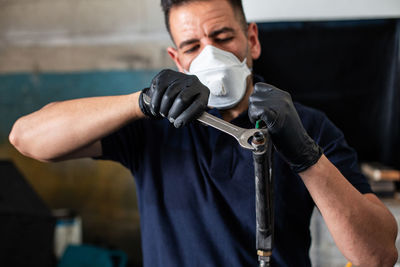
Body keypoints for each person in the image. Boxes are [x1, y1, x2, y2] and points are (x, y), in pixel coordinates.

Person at [9, 0, 398, 266]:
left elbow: (377, 255)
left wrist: (306, 155)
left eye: (224, 37)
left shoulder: (308, 126)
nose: (211, 55)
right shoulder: (152, 129)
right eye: (193, 45)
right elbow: (26, 138)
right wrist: (141, 102)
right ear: (177, 59)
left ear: (253, 40)